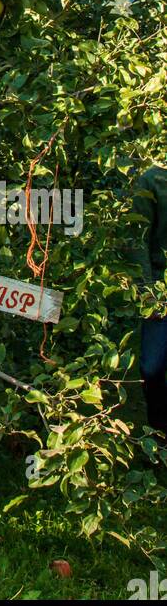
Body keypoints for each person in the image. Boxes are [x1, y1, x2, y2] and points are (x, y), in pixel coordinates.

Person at [132, 165, 167, 434]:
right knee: (152, 366)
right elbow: (138, 239)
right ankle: (159, 428)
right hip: (162, 288)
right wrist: (148, 290)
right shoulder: (152, 180)